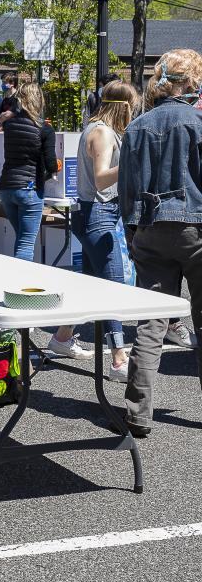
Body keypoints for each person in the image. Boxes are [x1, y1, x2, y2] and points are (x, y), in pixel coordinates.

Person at [118, 50, 202, 437]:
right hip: (195, 228)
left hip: (150, 228)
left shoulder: (138, 125)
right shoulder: (198, 122)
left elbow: (128, 188)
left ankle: (138, 412)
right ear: (192, 81)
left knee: (150, 324)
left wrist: (134, 232)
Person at [0, 83, 91, 359]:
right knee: (26, 243)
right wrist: (52, 170)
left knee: (20, 240)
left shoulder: (10, 125)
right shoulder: (44, 129)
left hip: (6, 187)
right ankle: (20, 294)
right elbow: (50, 162)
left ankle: (22, 284)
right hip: (29, 188)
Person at [71, 80, 141, 383]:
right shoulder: (101, 132)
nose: (135, 111)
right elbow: (102, 179)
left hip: (94, 214)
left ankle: (61, 336)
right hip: (98, 214)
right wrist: (133, 160)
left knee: (89, 284)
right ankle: (118, 359)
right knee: (113, 287)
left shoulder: (96, 127)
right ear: (123, 106)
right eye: (133, 106)